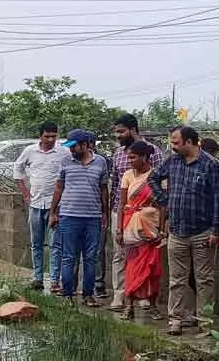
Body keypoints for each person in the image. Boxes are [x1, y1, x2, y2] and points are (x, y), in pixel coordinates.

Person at [149, 126, 219, 334]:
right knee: (177, 279)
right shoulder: (172, 161)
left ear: (190, 142)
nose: (172, 146)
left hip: (202, 230)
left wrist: (216, 230)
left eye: (176, 142)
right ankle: (176, 318)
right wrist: (164, 200)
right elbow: (152, 178)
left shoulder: (210, 164)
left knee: (204, 279)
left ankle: (205, 322)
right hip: (177, 230)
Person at [107, 113, 163, 311]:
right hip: (122, 211)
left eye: (121, 131)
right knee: (120, 254)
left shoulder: (153, 151)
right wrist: (114, 212)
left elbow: (158, 181)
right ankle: (120, 295)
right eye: (117, 132)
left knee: (145, 256)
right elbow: (115, 184)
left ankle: (143, 295)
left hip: (147, 215)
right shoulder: (118, 153)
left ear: (133, 129)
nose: (118, 135)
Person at [50, 129, 109, 306]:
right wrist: (53, 212)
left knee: (90, 257)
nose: (71, 150)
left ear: (86, 145)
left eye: (74, 146)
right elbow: (59, 187)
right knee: (68, 257)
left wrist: (105, 212)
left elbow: (104, 188)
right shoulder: (66, 161)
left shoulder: (100, 162)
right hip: (68, 216)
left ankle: (88, 295)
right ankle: (68, 295)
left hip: (92, 217)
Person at [116, 141, 165, 320]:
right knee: (131, 266)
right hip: (131, 228)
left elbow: (162, 204)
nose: (130, 161)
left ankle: (153, 306)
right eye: (128, 157)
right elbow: (122, 204)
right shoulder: (128, 175)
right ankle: (129, 306)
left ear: (145, 157)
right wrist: (119, 229)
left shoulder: (156, 176)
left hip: (151, 228)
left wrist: (162, 229)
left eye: (133, 157)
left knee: (152, 269)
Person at [13, 121, 65, 292]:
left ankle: (55, 280)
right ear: (40, 136)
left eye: (53, 136)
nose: (50, 139)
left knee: (55, 245)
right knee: (36, 244)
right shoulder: (30, 151)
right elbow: (18, 168)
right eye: (47, 136)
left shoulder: (62, 153)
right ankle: (37, 278)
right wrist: (25, 193)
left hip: (55, 206)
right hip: (35, 204)